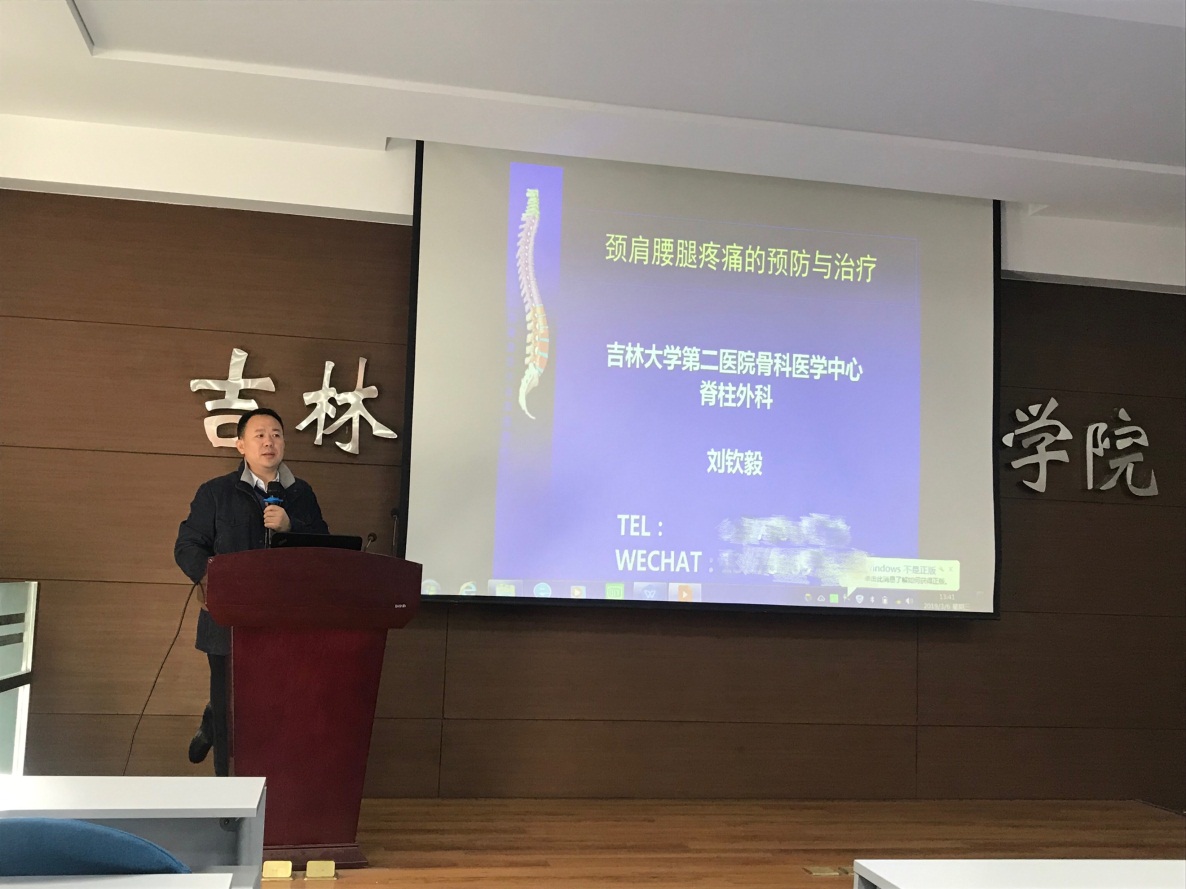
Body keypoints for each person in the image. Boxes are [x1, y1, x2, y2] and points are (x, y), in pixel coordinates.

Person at [174, 408, 328, 776]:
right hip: (227, 621)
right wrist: (213, 580)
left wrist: (291, 526)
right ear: (241, 445)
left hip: (284, 622)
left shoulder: (300, 493)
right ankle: (226, 794)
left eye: (276, 434)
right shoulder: (216, 492)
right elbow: (188, 546)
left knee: (275, 710)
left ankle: (269, 791)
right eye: (259, 434)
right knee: (230, 712)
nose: (269, 441)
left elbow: (323, 548)